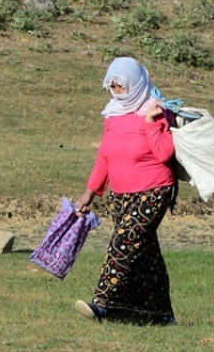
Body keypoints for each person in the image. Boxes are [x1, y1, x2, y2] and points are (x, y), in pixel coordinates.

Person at [72, 57, 179, 326]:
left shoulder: (155, 109)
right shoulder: (112, 113)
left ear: (136, 83)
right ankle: (160, 315)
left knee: (124, 242)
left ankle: (103, 303)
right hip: (120, 195)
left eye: (122, 86)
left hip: (154, 190)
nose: (118, 91)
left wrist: (152, 121)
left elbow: (165, 153)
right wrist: (90, 192)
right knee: (146, 254)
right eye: (114, 86)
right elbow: (105, 157)